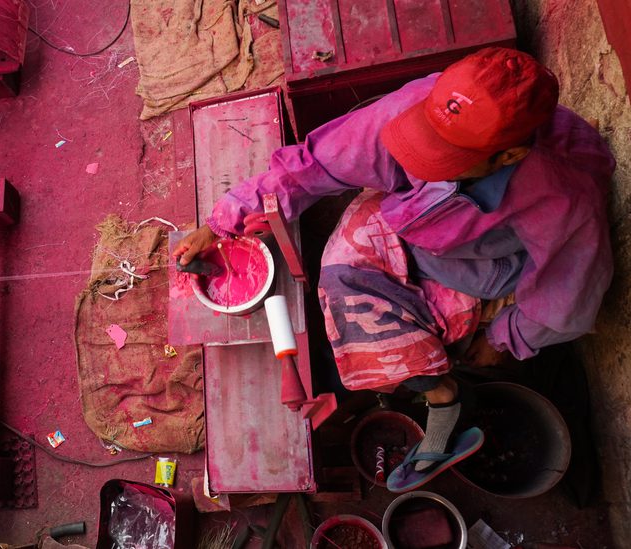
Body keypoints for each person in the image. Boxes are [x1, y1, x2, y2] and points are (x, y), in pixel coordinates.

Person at [173, 47, 615, 492]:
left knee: (417, 337)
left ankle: (446, 393)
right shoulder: (425, 105)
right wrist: (224, 219)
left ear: (508, 156)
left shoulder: (562, 195)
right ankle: (437, 385)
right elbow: (318, 164)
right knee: (340, 274)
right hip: (416, 221)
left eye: (444, 159)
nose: (424, 162)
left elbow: (566, 299)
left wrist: (505, 337)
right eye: (424, 144)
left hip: (484, 263)